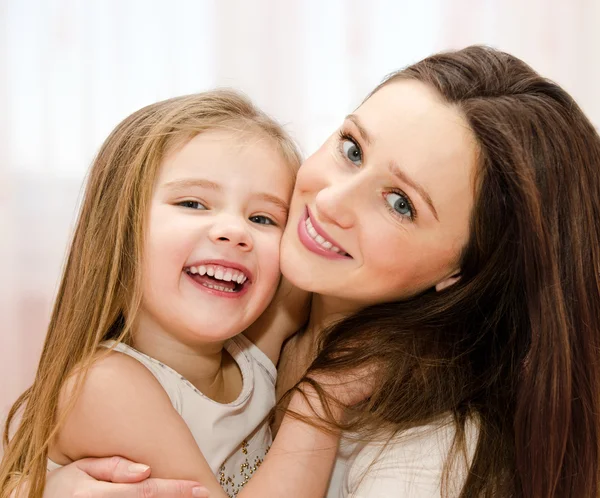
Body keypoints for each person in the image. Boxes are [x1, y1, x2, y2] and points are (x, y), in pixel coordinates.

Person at [11, 45, 600, 497]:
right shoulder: (272, 315)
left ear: (463, 271)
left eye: (401, 204)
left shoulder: (425, 442)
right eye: (351, 148)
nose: (331, 204)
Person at [0, 90, 362, 498]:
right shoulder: (104, 387)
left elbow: (357, 268)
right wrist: (322, 403)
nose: (234, 231)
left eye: (262, 217)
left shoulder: (255, 346)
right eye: (192, 203)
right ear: (119, 231)